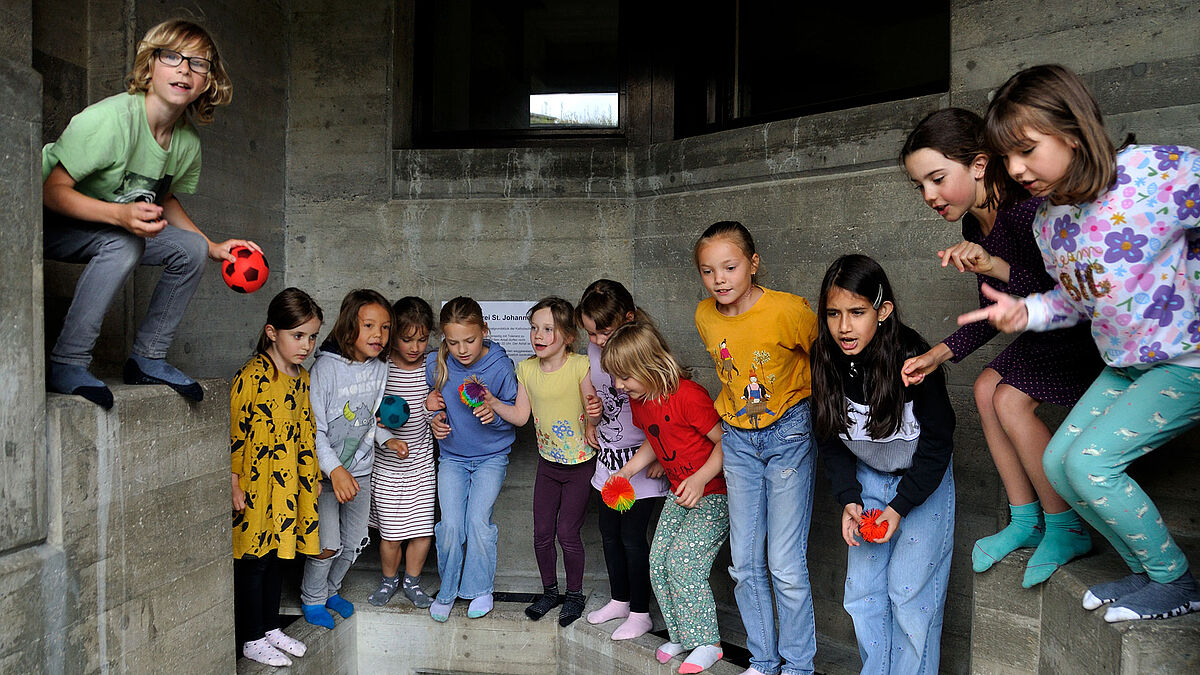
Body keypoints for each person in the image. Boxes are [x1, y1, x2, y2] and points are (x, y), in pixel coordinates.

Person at [962, 64, 1200, 622]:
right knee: (1062, 463)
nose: (1017, 170)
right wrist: (1026, 311)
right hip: (1125, 365)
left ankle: (1175, 581)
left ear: (1071, 129)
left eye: (1026, 150)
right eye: (1007, 159)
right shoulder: (1050, 223)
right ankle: (1146, 570)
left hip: (1185, 363)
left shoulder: (1154, 174)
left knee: (1093, 466)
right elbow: (1076, 301)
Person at [899, 108, 1102, 587]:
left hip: (1083, 332)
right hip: (1042, 334)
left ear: (978, 164)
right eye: (919, 186)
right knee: (986, 388)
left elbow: (1064, 294)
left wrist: (994, 266)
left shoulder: (1028, 211)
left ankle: (1066, 525)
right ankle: (1026, 519)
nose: (929, 196)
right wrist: (937, 355)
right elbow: (992, 312)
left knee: (1009, 399)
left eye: (936, 178)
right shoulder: (974, 225)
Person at [41, 18, 259, 409]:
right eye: (172, 56)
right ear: (149, 66)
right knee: (125, 241)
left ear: (208, 81)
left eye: (198, 63)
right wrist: (120, 216)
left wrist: (211, 246)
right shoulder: (111, 120)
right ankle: (67, 362)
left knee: (188, 249)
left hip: (104, 226)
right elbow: (51, 192)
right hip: (43, 224)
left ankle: (147, 357)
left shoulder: (186, 143)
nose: (184, 69)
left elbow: (165, 198)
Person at [812, 254, 956, 675]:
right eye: (834, 313)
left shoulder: (912, 359)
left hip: (920, 482)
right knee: (862, 592)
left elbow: (938, 441)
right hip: (867, 479)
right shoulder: (825, 358)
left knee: (910, 594)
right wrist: (848, 499)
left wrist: (899, 507)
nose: (844, 326)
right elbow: (830, 438)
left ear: (883, 310)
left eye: (857, 313)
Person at [692, 221, 819, 675]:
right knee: (744, 564)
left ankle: (799, 667)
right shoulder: (705, 316)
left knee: (784, 564)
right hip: (739, 441)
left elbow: (827, 359)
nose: (719, 279)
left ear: (753, 264)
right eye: (708, 271)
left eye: (729, 267)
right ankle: (764, 662)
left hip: (788, 434)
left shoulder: (790, 311)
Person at [602, 322, 728, 675]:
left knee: (684, 564)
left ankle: (709, 643)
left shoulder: (688, 395)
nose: (618, 385)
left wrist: (701, 478)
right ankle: (682, 635)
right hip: (680, 491)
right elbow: (654, 439)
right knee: (658, 560)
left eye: (624, 377)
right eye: (615, 377)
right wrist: (628, 471)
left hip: (714, 493)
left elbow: (726, 441)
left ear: (649, 365)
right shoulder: (640, 400)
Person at [485, 297, 599, 626]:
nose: (539, 335)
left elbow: (594, 407)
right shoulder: (527, 369)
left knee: (567, 533)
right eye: (534, 328)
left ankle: (574, 595)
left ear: (567, 335)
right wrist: (493, 402)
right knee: (541, 534)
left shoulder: (580, 365)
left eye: (548, 329)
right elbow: (521, 417)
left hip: (580, 465)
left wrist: (594, 422)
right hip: (548, 465)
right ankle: (550, 592)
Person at [230, 288, 323, 667]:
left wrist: (311, 476)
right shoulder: (251, 376)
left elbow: (307, 428)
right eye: (297, 335)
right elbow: (235, 432)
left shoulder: (301, 378)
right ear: (272, 332)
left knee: (277, 556)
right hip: (256, 481)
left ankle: (269, 628)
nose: (306, 345)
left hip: (287, 483)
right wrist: (234, 482)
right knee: (255, 559)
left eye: (312, 336)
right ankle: (251, 636)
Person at [577, 280, 670, 641]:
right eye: (591, 334)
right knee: (609, 533)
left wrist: (662, 451)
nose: (598, 340)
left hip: (642, 462)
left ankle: (641, 612)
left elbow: (665, 405)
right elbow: (593, 394)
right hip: (609, 459)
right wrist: (590, 418)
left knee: (633, 537)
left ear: (628, 319)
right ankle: (619, 599)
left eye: (604, 332)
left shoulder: (644, 348)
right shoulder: (593, 348)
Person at [301, 290, 392, 628]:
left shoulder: (380, 367)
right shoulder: (325, 369)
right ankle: (312, 598)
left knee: (354, 542)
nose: (378, 335)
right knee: (327, 544)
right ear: (348, 326)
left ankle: (330, 590)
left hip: (361, 471)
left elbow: (367, 419)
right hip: (326, 475)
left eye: (384, 328)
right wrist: (335, 470)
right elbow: (315, 431)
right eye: (369, 325)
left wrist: (388, 439)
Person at [424, 297, 519, 622]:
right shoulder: (436, 365)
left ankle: (480, 589)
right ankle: (447, 590)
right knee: (450, 525)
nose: (462, 349)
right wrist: (433, 417)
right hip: (452, 458)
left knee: (477, 523)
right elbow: (433, 405)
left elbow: (517, 417)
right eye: (453, 342)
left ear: (484, 331)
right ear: (444, 339)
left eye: (470, 340)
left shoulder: (500, 367)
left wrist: (495, 416)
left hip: (492, 457)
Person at [367, 297, 437, 609]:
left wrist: (433, 410)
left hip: (421, 463)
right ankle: (389, 579)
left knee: (422, 531)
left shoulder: (432, 368)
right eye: (407, 339)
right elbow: (363, 415)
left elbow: (436, 411)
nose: (415, 347)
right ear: (392, 334)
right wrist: (384, 434)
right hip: (386, 467)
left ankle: (413, 581)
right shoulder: (380, 368)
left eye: (422, 339)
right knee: (392, 534)